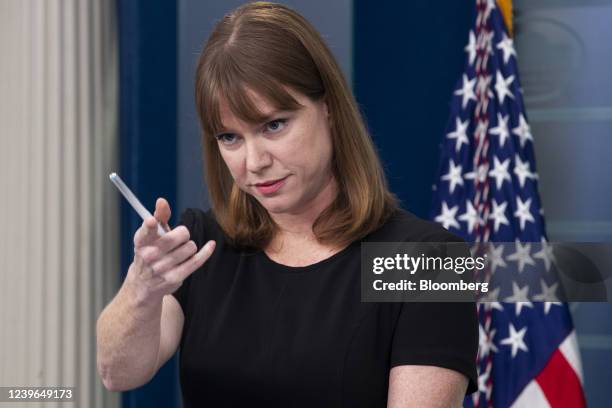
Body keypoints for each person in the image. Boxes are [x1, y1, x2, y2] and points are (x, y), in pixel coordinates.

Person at [96, 2, 478, 407]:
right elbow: (117, 372)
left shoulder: (430, 262)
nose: (255, 162)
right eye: (230, 137)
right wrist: (143, 286)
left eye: (273, 125)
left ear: (329, 108)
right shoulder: (201, 246)